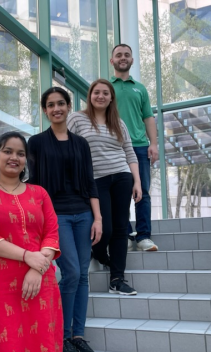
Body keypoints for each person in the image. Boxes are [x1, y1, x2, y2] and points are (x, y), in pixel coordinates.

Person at [0, 132, 63, 352]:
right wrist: (28, 256)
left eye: (20, 153)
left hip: (41, 279)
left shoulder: (39, 193)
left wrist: (37, 268)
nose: (14, 157)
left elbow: (52, 233)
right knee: (6, 340)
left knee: (44, 340)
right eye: (8, 151)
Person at [27, 87, 102, 352]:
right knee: (71, 272)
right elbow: (32, 184)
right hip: (55, 215)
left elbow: (90, 182)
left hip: (83, 214)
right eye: (50, 105)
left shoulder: (81, 143)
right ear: (45, 110)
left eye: (61, 103)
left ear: (69, 106)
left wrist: (98, 218)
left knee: (82, 275)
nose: (56, 108)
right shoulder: (35, 143)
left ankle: (77, 337)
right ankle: (62, 334)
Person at [68, 78, 142, 296]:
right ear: (90, 96)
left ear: (111, 98)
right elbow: (66, 145)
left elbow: (129, 152)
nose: (100, 96)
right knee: (105, 228)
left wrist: (137, 181)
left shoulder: (119, 123)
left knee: (121, 229)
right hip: (94, 180)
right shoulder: (77, 119)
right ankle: (99, 252)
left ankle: (117, 279)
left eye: (105, 93)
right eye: (96, 92)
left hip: (122, 177)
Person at [110, 44, 160, 252]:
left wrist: (154, 144)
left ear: (132, 60)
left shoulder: (140, 88)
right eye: (119, 55)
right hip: (112, 147)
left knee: (143, 193)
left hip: (139, 146)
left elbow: (148, 117)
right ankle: (124, 231)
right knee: (115, 193)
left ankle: (143, 236)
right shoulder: (106, 87)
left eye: (127, 55)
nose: (123, 58)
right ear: (112, 60)